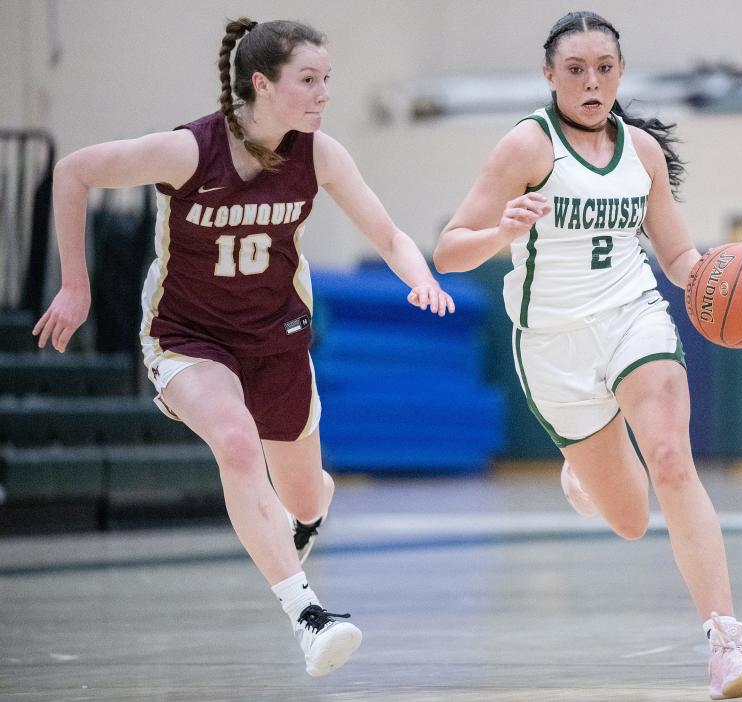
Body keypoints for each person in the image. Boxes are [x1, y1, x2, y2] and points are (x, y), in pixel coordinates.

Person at [33, 17, 454, 678]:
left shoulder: (320, 154)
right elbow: (73, 171)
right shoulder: (187, 151)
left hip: (277, 337)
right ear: (262, 84)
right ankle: (309, 617)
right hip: (188, 337)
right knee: (234, 441)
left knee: (305, 501)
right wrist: (76, 286)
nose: (323, 94)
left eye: (326, 80)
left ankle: (311, 502)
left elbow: (390, 234)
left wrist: (422, 278)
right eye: (308, 80)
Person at [434, 10, 742, 700]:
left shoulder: (641, 152)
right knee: (629, 518)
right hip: (553, 345)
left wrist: (711, 277)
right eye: (577, 69)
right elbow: (448, 249)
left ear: (621, 72)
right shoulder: (526, 146)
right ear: (549, 76)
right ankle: (581, 474)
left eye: (606, 68)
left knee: (673, 460)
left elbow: (675, 253)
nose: (593, 82)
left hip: (632, 318)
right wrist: (501, 228)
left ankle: (727, 647)